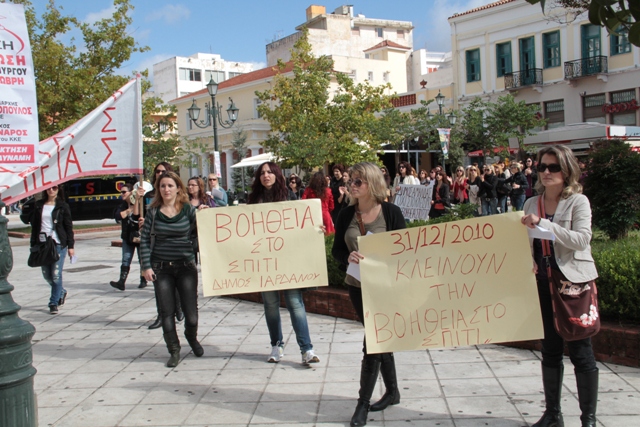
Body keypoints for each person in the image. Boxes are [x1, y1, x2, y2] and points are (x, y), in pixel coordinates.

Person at [521, 145, 599, 427]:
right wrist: (525, 260)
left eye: (553, 167)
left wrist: (545, 224)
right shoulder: (531, 203)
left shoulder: (578, 202)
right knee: (550, 350)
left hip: (573, 285)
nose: (546, 172)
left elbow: (581, 240)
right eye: (542, 167)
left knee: (581, 351)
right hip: (542, 282)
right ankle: (552, 414)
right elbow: (523, 243)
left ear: (566, 171)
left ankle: (588, 419)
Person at [332, 162, 406, 427]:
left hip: (385, 288)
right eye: (351, 180)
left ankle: (362, 404)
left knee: (373, 342)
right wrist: (348, 256)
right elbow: (336, 251)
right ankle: (393, 391)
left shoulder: (391, 212)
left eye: (358, 181)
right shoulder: (346, 214)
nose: (352, 184)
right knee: (379, 338)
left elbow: (405, 249)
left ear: (372, 183)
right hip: (357, 286)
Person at [248, 161, 321, 365]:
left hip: (287, 260)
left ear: (277, 175)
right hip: (265, 260)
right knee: (270, 305)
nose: (266, 175)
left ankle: (306, 349)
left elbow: (300, 224)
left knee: (295, 304)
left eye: (270, 172)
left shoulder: (289, 196)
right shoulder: (253, 200)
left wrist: (316, 228)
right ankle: (276, 345)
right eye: (262, 173)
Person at [140, 171, 202, 368]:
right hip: (161, 268)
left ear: (178, 188)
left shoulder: (187, 210)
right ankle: (174, 350)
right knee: (167, 312)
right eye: (162, 186)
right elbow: (143, 240)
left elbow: (201, 232)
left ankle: (191, 337)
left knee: (191, 315)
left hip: (186, 266)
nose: (166, 189)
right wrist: (146, 266)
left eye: (170, 185)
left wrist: (207, 217)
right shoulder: (153, 212)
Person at [22, 185, 75, 314]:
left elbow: (68, 227)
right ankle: (61, 292)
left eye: (54, 188)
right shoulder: (39, 205)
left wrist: (71, 246)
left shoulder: (62, 206)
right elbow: (33, 225)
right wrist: (33, 243)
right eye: (49, 188)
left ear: (58, 190)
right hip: (42, 244)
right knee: (47, 275)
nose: (51, 190)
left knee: (56, 275)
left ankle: (53, 303)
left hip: (58, 244)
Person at [145, 162, 183, 330]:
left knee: (177, 285)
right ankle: (162, 315)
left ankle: (178, 307)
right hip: (157, 252)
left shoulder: (180, 202)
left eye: (164, 171)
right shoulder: (147, 195)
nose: (160, 173)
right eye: (158, 171)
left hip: (178, 253)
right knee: (160, 286)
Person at [110, 183, 146, 291]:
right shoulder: (122, 205)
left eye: (124, 192)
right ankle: (122, 281)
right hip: (127, 236)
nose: (122, 194)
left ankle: (143, 279)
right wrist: (128, 210)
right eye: (121, 192)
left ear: (131, 192)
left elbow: (138, 216)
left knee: (142, 259)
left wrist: (134, 205)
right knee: (126, 259)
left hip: (139, 236)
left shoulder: (140, 203)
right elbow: (118, 216)